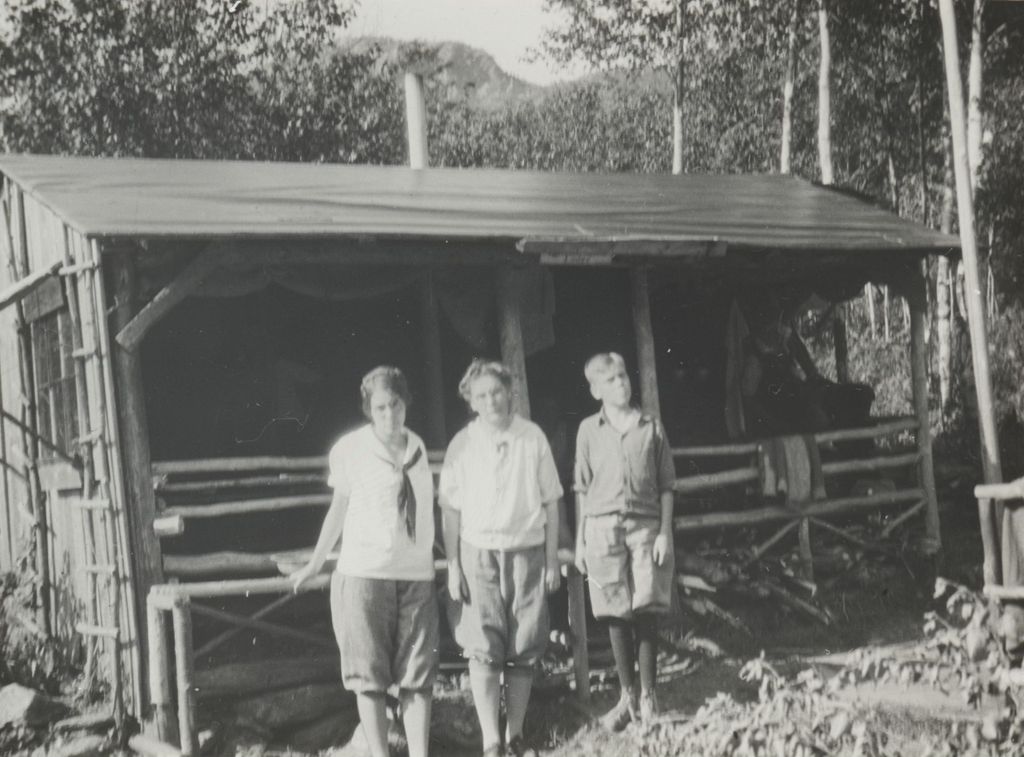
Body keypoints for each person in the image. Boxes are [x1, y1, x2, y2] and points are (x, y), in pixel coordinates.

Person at [292, 366, 437, 757]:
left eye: (396, 405)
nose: (390, 415)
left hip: (415, 574)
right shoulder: (350, 449)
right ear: (368, 409)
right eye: (381, 407)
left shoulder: (418, 448)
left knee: (417, 675)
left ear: (406, 403)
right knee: (369, 676)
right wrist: (314, 563)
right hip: (365, 574)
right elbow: (337, 511)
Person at [440, 359, 562, 757]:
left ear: (510, 392)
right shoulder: (463, 443)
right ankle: (491, 739)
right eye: (481, 395)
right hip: (479, 554)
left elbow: (552, 502)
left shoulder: (532, 437)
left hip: (526, 551)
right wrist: (455, 566)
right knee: (484, 644)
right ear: (471, 402)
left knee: (524, 642)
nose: (490, 400)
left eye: (496, 391)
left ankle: (516, 734)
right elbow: (451, 511)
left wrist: (551, 559)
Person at [573, 352, 676, 730]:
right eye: (611, 379)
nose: (621, 384)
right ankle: (627, 697)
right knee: (615, 610)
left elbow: (667, 485)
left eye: (623, 376)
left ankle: (649, 697)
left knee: (647, 606)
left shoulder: (650, 426)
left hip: (645, 527)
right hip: (601, 529)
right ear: (595, 389)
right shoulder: (588, 430)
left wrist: (664, 531)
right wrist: (582, 540)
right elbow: (581, 487)